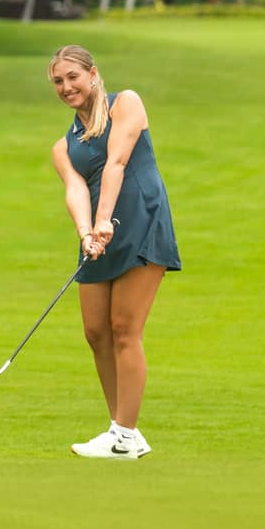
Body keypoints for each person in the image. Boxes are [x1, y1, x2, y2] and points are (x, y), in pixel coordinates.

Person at [48, 44, 181, 460]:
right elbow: (74, 188)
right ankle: (121, 430)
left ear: (92, 74)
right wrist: (86, 232)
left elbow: (117, 163)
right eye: (57, 81)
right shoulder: (62, 146)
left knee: (125, 327)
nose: (67, 86)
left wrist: (104, 219)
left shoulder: (127, 103)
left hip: (139, 219)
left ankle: (124, 434)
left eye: (73, 76)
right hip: (99, 235)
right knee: (96, 332)